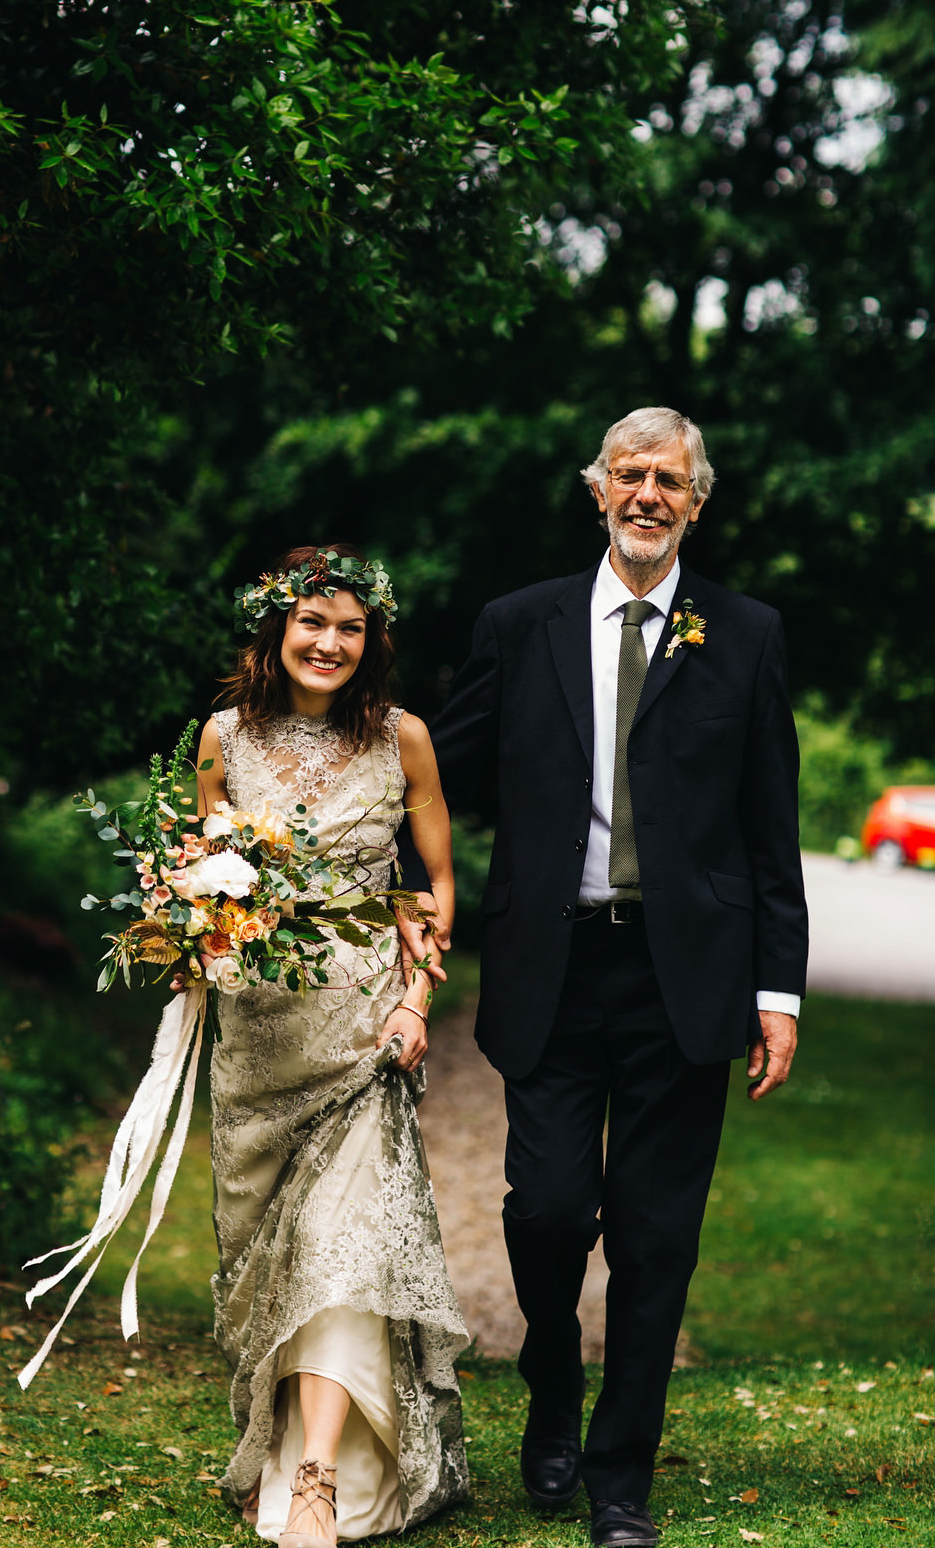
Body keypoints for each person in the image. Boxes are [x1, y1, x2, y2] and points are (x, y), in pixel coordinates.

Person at [399, 408, 808, 1548]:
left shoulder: (746, 634)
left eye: (668, 479)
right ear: (597, 491)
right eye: (628, 475)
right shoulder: (519, 624)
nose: (646, 494)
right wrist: (323, 802)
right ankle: (548, 1378)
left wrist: (780, 992)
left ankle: (620, 1473)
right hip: (554, 966)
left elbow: (773, 832)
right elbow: (435, 769)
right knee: (545, 1208)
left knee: (655, 1232)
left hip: (692, 978)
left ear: (696, 500)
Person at [196, 544, 470, 1547]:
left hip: (364, 1025)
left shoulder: (406, 741)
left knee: (344, 1249)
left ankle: (318, 1479)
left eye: (350, 628)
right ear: (278, 628)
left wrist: (416, 1001)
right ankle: (290, 1449)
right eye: (313, 623)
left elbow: (430, 887)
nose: (329, 643)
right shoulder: (223, 738)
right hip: (261, 1037)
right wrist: (188, 929)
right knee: (276, 1262)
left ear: (373, 639)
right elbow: (209, 881)